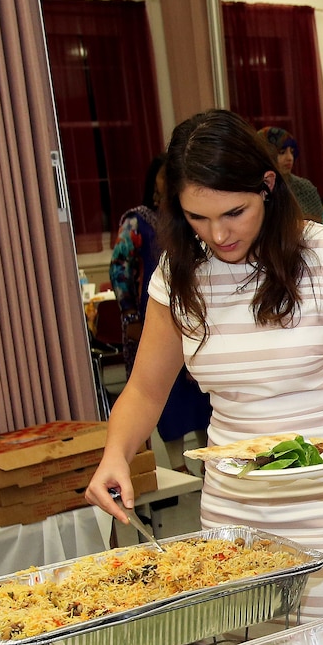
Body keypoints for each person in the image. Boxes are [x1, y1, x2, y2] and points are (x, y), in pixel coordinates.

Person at [86, 109, 323, 616]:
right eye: (198, 217)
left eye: (234, 212)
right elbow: (145, 389)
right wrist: (115, 453)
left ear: (268, 187)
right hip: (234, 505)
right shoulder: (179, 273)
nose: (218, 234)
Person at [108, 154, 212, 468]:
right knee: (167, 399)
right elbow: (119, 269)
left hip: (196, 314)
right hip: (153, 312)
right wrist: (129, 316)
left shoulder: (198, 217)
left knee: (201, 396)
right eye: (166, 175)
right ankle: (177, 467)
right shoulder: (137, 220)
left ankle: (210, 465)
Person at [257, 126, 323, 221]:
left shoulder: (305, 188)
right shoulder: (255, 188)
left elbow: (320, 226)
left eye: (292, 152)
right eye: (282, 152)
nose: (290, 158)